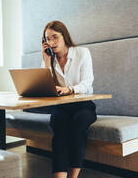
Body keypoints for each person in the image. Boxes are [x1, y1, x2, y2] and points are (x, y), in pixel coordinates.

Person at [41, 20, 97, 178]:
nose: (51, 42)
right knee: (58, 127)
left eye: (55, 37)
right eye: (47, 39)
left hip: (83, 104)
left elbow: (87, 82)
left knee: (77, 125)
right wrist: (46, 63)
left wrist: (70, 89)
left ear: (64, 36)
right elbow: (45, 86)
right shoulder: (49, 59)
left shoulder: (82, 52)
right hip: (61, 106)